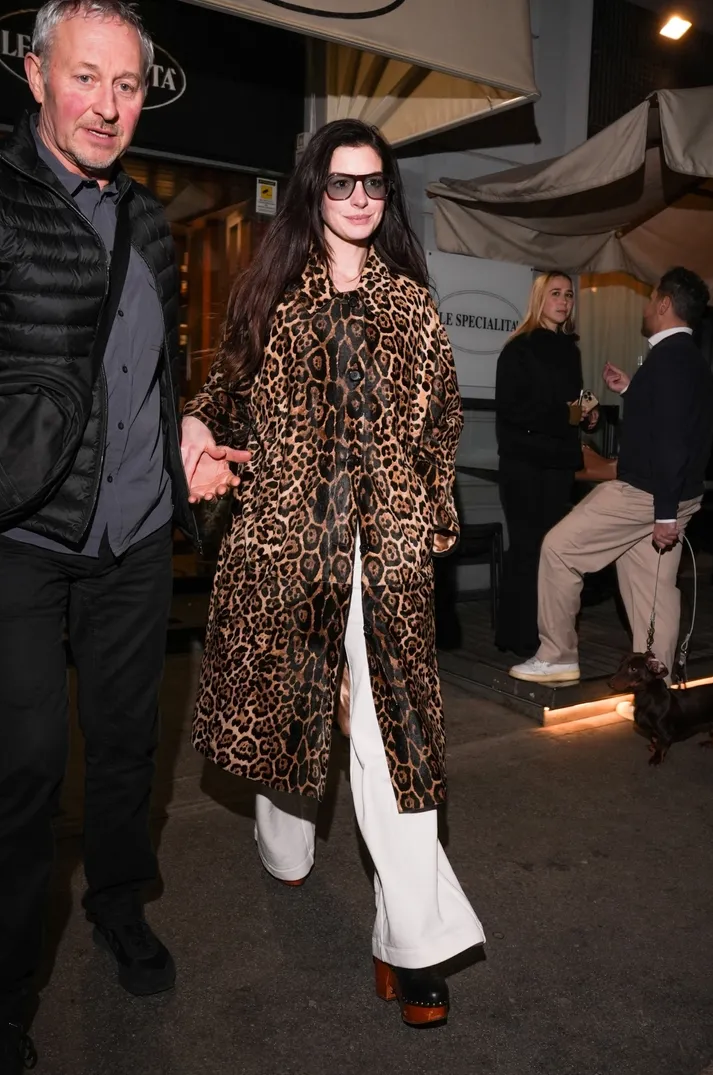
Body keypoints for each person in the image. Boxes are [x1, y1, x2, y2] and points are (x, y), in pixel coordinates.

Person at [180, 119, 485, 1029]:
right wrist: (195, 427)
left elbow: (442, 427)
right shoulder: (271, 294)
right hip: (288, 551)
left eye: (374, 183)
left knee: (396, 740)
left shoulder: (411, 305)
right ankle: (284, 838)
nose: (359, 198)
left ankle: (414, 943)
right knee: (291, 712)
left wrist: (427, 518)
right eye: (342, 182)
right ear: (314, 189)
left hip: (386, 557)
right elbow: (223, 395)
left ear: (388, 195)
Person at [0, 2, 205, 1070]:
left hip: (135, 531)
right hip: (18, 529)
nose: (106, 105)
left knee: (126, 742)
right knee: (28, 759)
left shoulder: (149, 221)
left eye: (127, 85)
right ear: (35, 76)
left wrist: (186, 436)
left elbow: (153, 368)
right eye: (85, 77)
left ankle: (118, 901)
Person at [509, 267, 713, 686]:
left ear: (664, 304)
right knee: (652, 588)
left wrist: (663, 513)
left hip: (646, 493)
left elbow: (672, 440)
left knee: (559, 549)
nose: (646, 306)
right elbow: (675, 417)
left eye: (651, 298)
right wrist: (630, 391)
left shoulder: (670, 359)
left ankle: (558, 656)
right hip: (676, 494)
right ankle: (656, 681)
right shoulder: (688, 359)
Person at [494, 272, 597, 657]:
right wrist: (567, 416)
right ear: (539, 299)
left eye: (568, 295)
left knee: (553, 552)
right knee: (527, 549)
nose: (564, 301)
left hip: (557, 464)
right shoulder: (518, 348)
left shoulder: (570, 349)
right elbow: (513, 408)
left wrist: (589, 414)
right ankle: (519, 636)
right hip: (524, 464)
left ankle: (545, 635)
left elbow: (573, 401)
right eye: (556, 294)